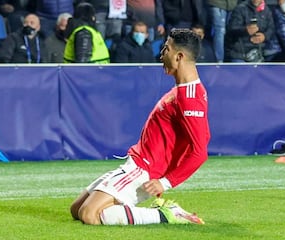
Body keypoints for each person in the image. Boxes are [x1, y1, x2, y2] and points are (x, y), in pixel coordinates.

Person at [70, 28, 210, 225]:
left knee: (89, 215)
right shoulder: (185, 90)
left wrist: (165, 181)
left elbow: (199, 151)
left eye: (166, 49)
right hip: (137, 163)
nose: (161, 54)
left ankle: (167, 214)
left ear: (179, 56)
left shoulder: (189, 97)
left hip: (144, 169)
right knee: (76, 209)